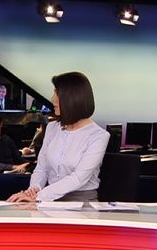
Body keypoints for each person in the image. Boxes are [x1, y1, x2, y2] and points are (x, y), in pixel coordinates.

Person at [8, 72, 109, 202]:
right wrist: (33, 190)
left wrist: (40, 196)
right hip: (47, 199)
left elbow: (78, 178)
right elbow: (42, 168)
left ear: (72, 98)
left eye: (57, 94)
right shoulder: (52, 128)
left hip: (81, 202)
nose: (52, 99)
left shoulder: (99, 136)